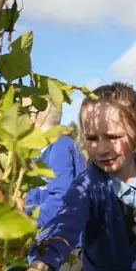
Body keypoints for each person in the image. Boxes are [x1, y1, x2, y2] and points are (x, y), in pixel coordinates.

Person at [3, 83, 136, 271]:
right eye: (91, 139)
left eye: (113, 137)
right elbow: (66, 224)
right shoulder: (88, 185)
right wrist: (39, 268)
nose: (101, 148)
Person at [23, 98, 86, 229]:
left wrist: (29, 223)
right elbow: (32, 197)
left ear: (32, 117)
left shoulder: (60, 146)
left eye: (21, 113)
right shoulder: (39, 153)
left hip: (68, 239)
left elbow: (62, 196)